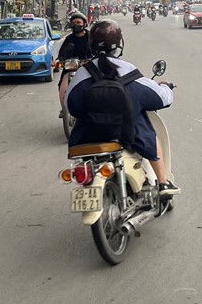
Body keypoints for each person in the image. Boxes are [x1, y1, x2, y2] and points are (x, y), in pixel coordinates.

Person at [65, 19, 180, 198]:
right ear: (119, 44)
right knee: (148, 130)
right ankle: (163, 183)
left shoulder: (81, 73)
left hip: (87, 136)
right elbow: (160, 98)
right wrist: (166, 87)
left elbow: (70, 105)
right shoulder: (128, 71)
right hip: (129, 135)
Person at [57, 11, 92, 112]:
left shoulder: (90, 37)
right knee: (62, 84)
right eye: (73, 23)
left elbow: (96, 50)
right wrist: (58, 60)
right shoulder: (69, 39)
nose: (75, 25)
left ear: (84, 24)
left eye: (78, 22)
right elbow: (62, 53)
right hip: (70, 66)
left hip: (88, 66)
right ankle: (64, 108)